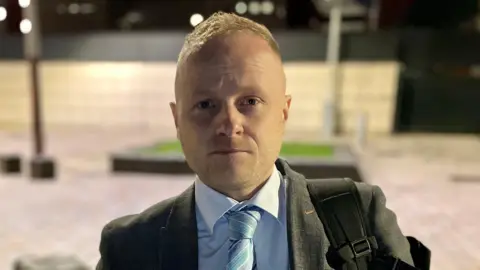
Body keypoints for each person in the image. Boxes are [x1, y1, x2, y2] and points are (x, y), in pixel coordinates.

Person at [96, 12, 414, 270]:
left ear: (283, 112)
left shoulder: (360, 217)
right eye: (206, 104)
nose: (230, 124)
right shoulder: (128, 249)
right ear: (178, 120)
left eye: (249, 101)